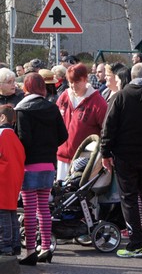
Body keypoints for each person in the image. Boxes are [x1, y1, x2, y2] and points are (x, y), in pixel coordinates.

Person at [101, 63, 142, 258]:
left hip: (125, 155)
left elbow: (109, 126)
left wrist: (105, 152)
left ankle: (135, 243)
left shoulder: (121, 96)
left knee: (128, 198)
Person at [15, 73, 68, 265]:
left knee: (29, 210)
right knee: (44, 208)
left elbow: (23, 140)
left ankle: (30, 251)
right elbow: (63, 135)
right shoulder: (52, 107)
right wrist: (49, 145)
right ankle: (46, 247)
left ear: (26, 88)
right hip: (48, 164)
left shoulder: (22, 110)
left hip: (29, 166)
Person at [56, 63, 107, 181]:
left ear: (85, 79)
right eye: (70, 82)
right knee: (62, 194)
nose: (73, 86)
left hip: (84, 159)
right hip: (62, 156)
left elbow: (105, 130)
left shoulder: (97, 102)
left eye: (76, 82)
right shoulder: (64, 96)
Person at [0, 105, 25, 257]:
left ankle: (5, 245)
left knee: (2, 215)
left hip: (2, 179)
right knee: (11, 213)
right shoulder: (15, 137)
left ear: (3, 117)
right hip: (14, 179)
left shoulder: (1, 134)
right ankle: (15, 245)